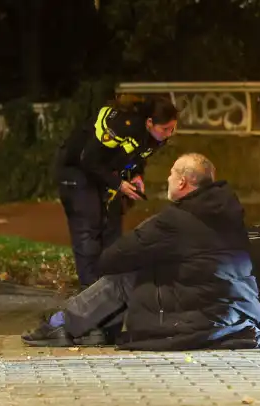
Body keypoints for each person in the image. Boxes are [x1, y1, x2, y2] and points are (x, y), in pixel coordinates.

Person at [21, 154, 260, 351]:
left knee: (126, 276)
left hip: (204, 316)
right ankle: (87, 327)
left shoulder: (173, 221)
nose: (167, 179)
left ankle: (61, 324)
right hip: (240, 311)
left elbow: (113, 258)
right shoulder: (229, 214)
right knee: (149, 273)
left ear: (182, 181)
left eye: (170, 174)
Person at [54, 94, 178, 288]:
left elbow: (136, 155)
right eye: (165, 129)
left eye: (173, 129)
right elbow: (89, 159)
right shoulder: (122, 126)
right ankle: (89, 292)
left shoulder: (153, 136)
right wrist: (118, 184)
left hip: (103, 171)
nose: (169, 134)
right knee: (89, 225)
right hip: (77, 170)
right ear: (149, 122)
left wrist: (136, 175)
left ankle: (109, 288)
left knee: (112, 227)